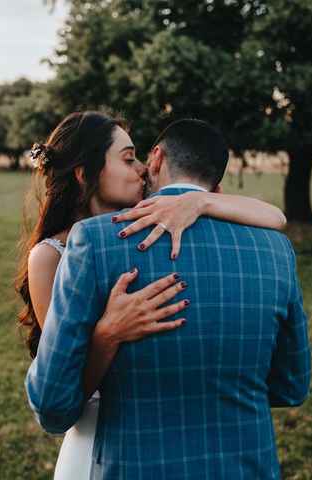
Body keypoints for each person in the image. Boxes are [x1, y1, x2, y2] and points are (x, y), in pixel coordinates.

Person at [18, 112, 296, 479]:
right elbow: (63, 385)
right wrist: (108, 333)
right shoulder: (54, 254)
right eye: (128, 158)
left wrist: (201, 203)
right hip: (99, 434)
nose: (142, 170)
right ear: (85, 174)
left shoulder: (156, 218)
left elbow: (275, 217)